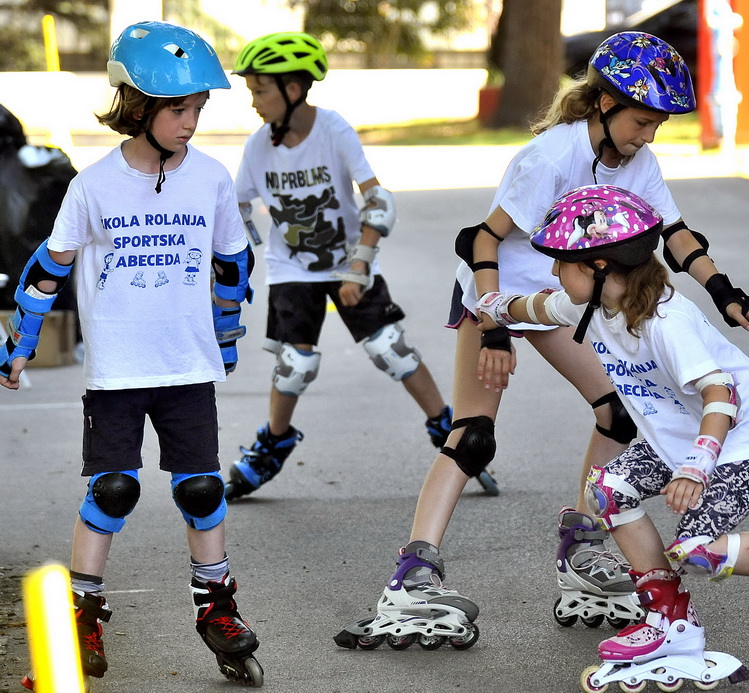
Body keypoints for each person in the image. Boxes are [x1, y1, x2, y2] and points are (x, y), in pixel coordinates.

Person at [334, 31, 749, 652]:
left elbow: (675, 234)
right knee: (474, 434)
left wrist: (730, 296)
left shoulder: (635, 159)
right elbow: (479, 241)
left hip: (565, 297)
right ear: (603, 104)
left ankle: (581, 550)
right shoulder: (550, 157)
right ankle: (412, 576)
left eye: (657, 125)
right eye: (643, 121)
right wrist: (492, 326)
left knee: (618, 414)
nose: (649, 136)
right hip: (499, 292)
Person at [476, 184, 749, 688]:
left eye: (561, 261)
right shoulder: (592, 306)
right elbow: (538, 307)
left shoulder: (665, 322)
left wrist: (696, 467)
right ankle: (669, 619)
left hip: (745, 438)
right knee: (607, 490)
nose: (553, 271)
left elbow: (721, 396)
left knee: (698, 550)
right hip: (678, 436)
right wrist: (494, 307)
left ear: (599, 266)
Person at [0, 21, 263, 687]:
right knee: (111, 489)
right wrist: (20, 344)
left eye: (200, 107)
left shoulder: (208, 178)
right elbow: (47, 268)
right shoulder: (93, 186)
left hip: (187, 368)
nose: (193, 120)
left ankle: (218, 608)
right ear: (137, 106)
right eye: (180, 108)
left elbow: (232, 264)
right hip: (118, 370)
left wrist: (226, 337)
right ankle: (80, 617)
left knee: (202, 489)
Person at [225, 32, 463, 501]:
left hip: (349, 259)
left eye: (260, 90)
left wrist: (359, 264)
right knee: (294, 364)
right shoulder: (258, 147)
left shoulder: (333, 131)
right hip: (292, 269)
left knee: (390, 349)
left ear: (293, 90)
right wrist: (240, 254)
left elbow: (377, 201)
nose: (253, 102)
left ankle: (450, 430)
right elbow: (236, 207)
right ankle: (273, 443)